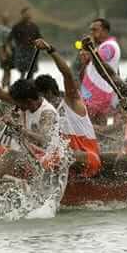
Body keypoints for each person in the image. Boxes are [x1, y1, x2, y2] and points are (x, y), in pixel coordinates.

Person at [34, 39, 101, 177]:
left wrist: (50, 50)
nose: (37, 102)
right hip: (68, 164)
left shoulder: (72, 101)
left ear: (48, 93)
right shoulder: (46, 113)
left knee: (52, 157)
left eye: (38, 97)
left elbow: (67, 74)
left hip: (88, 159)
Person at [80, 18, 122, 123]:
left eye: (95, 30)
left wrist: (90, 48)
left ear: (105, 31)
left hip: (99, 93)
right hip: (93, 92)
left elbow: (99, 59)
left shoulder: (110, 46)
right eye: (91, 30)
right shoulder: (101, 46)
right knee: (94, 124)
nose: (91, 33)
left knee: (90, 124)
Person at [8, 7, 42, 80]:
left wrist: (40, 45)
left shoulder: (34, 26)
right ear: (22, 14)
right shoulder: (17, 26)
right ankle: (22, 86)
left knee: (31, 71)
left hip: (32, 50)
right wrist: (9, 49)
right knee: (22, 71)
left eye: (29, 13)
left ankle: (31, 85)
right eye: (26, 13)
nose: (28, 15)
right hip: (21, 50)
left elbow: (39, 38)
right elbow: (10, 38)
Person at [0, 12, 14, 87]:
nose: (6, 19)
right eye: (5, 18)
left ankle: (8, 86)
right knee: (5, 71)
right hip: (4, 50)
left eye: (7, 18)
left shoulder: (10, 27)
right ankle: (3, 86)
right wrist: (2, 53)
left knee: (9, 71)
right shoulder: (0, 28)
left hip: (10, 50)